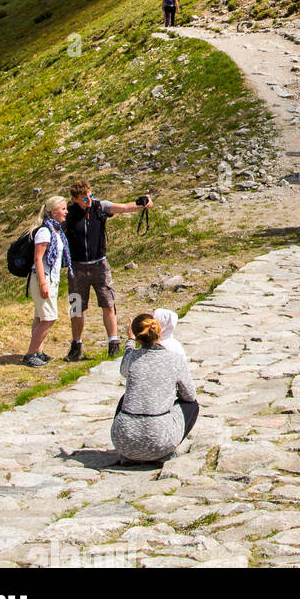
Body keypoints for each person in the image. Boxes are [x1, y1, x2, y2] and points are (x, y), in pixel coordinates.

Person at [65, 179, 152, 362]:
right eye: (84, 198)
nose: (89, 200)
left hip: (99, 264)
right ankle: (76, 345)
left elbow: (122, 207)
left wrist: (141, 204)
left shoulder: (99, 207)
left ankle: (113, 344)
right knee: (76, 307)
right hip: (77, 266)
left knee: (108, 303)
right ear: (75, 199)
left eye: (90, 196)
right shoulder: (68, 213)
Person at [111, 313, 199, 465]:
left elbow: (124, 369)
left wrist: (130, 340)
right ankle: (166, 451)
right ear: (158, 330)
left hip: (122, 442)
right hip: (158, 442)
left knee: (126, 399)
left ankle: (131, 455)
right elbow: (190, 396)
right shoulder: (174, 360)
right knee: (192, 406)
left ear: (138, 338)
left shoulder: (132, 358)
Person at [22, 195, 72, 367]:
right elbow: (38, 259)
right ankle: (30, 354)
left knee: (40, 316)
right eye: (63, 208)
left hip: (51, 279)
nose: (66, 211)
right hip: (43, 279)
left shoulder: (56, 230)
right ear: (53, 211)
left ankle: (38, 351)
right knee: (49, 318)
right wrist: (43, 283)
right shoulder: (45, 231)